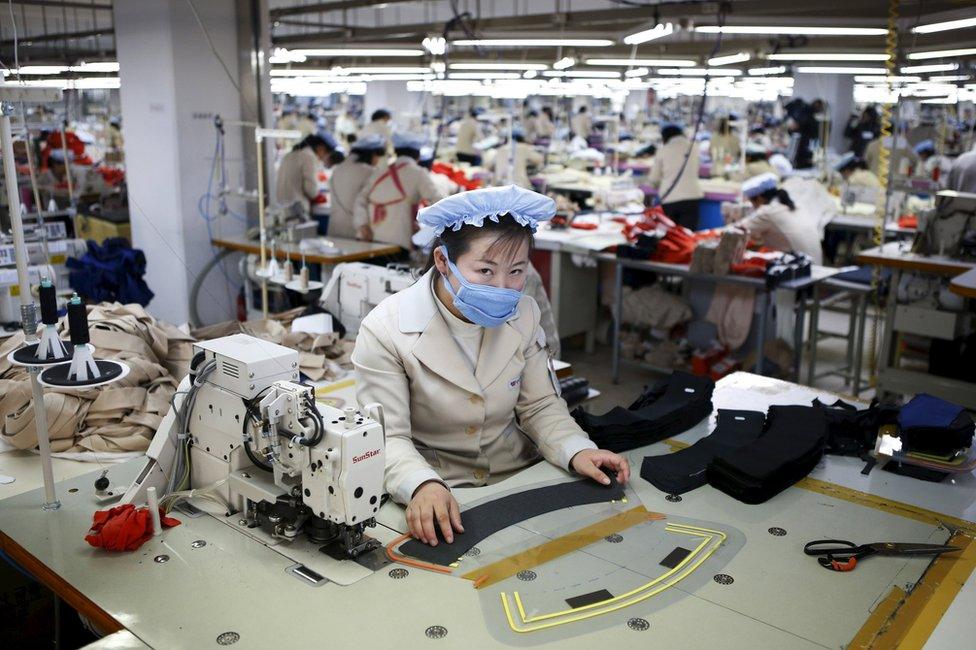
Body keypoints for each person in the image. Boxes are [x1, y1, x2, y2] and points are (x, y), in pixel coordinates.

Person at [351, 185, 630, 545]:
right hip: (439, 489)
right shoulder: (386, 329)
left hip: (518, 474)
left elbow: (540, 405)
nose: (502, 287)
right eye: (485, 270)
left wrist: (577, 448)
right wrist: (420, 484)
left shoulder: (524, 314)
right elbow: (388, 438)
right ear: (442, 261)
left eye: (516, 271)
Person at [353, 131, 445, 250]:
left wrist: (362, 224)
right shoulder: (418, 173)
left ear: (396, 152)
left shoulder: (380, 171)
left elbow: (360, 199)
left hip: (369, 239)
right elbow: (440, 203)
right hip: (397, 242)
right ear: (417, 155)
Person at [735, 172, 823, 264]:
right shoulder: (797, 206)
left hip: (797, 270)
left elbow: (736, 230)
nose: (754, 207)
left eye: (753, 202)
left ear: (760, 198)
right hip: (814, 266)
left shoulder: (768, 212)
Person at [327, 134, 387, 240]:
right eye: (377, 156)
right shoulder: (370, 172)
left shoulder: (337, 169)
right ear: (372, 154)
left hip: (334, 228)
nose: (377, 160)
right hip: (358, 231)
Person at [648, 123, 704, 230]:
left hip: (670, 200)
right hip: (691, 198)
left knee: (670, 238)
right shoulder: (694, 147)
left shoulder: (663, 151)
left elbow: (653, 179)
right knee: (687, 238)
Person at [275, 133, 341, 213]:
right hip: (297, 210)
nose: (324, 158)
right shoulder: (309, 157)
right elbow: (311, 191)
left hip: (281, 207)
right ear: (321, 148)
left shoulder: (289, 155)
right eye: (326, 154)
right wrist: (322, 197)